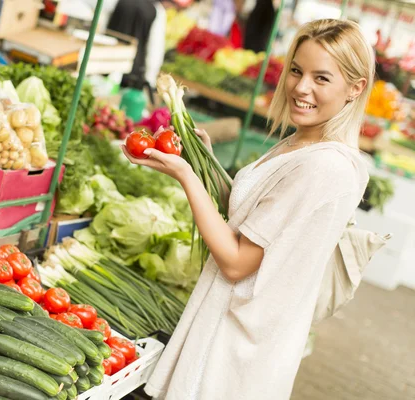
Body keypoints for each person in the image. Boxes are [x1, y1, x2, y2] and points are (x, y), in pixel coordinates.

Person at [122, 19, 375, 400]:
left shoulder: (324, 166)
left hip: (238, 343)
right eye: (295, 71)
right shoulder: (302, 142)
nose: (300, 88)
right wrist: (204, 163)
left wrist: (188, 176)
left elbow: (237, 262)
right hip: (237, 328)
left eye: (321, 79)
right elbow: (254, 217)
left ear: (355, 88)